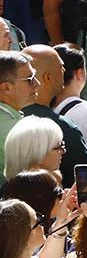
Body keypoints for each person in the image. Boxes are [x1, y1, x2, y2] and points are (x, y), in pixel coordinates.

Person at [21, 45, 87, 184]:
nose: (64, 71)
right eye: (61, 67)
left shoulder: (9, 118)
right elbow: (86, 181)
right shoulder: (64, 128)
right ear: (48, 77)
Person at [0, 51, 38, 185]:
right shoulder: (13, 128)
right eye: (30, 79)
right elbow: (35, 179)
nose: (37, 83)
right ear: (6, 87)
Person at [3, 116, 63, 181]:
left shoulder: (16, 187)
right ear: (37, 153)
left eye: (63, 144)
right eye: (59, 146)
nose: (63, 151)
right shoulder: (37, 188)